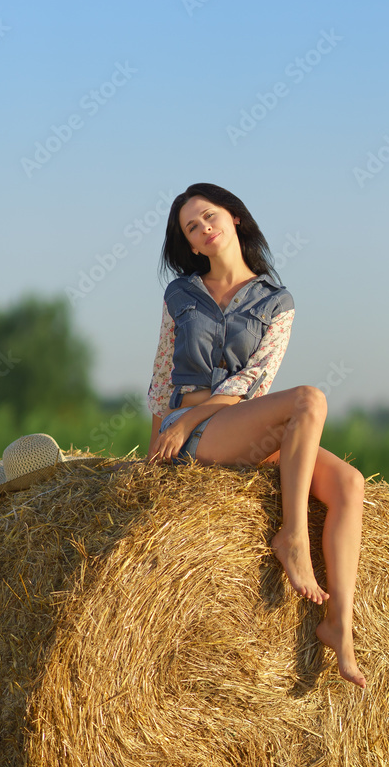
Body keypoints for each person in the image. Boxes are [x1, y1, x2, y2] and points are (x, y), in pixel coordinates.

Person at [147, 183, 366, 689]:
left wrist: (189, 418)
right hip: (199, 438)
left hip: (239, 425)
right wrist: (165, 434)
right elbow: (162, 374)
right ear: (192, 244)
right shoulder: (179, 295)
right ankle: (293, 536)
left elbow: (256, 383)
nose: (204, 229)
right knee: (310, 398)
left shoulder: (277, 302)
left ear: (234, 218)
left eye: (209, 216)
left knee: (351, 485)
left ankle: (340, 626)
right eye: (192, 228)